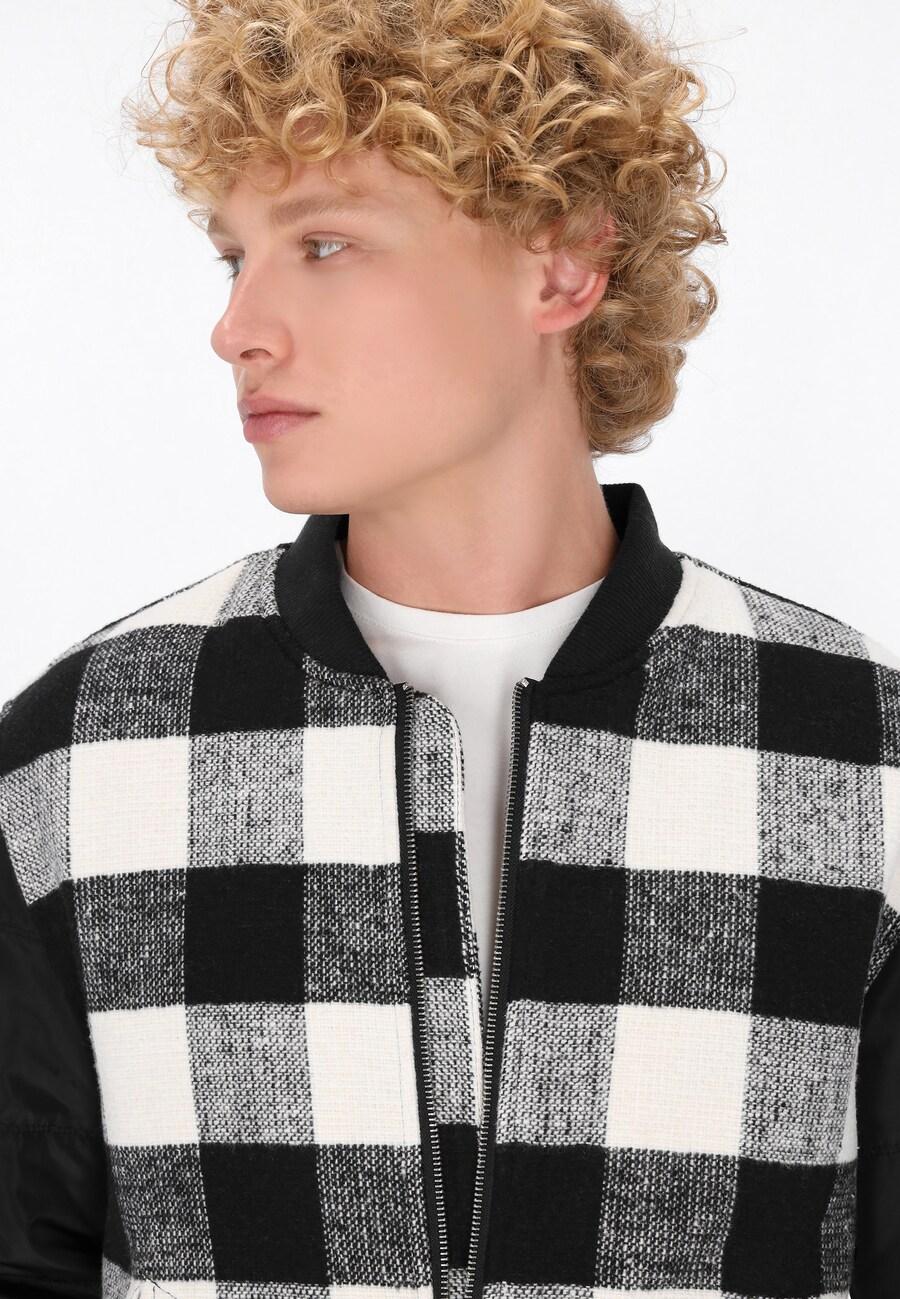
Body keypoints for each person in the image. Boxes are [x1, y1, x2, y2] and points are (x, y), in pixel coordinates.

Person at [1, 1, 898, 1296]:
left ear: (561, 266)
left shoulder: (856, 750)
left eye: (323, 243)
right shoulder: (83, 757)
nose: (237, 325)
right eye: (234, 256)